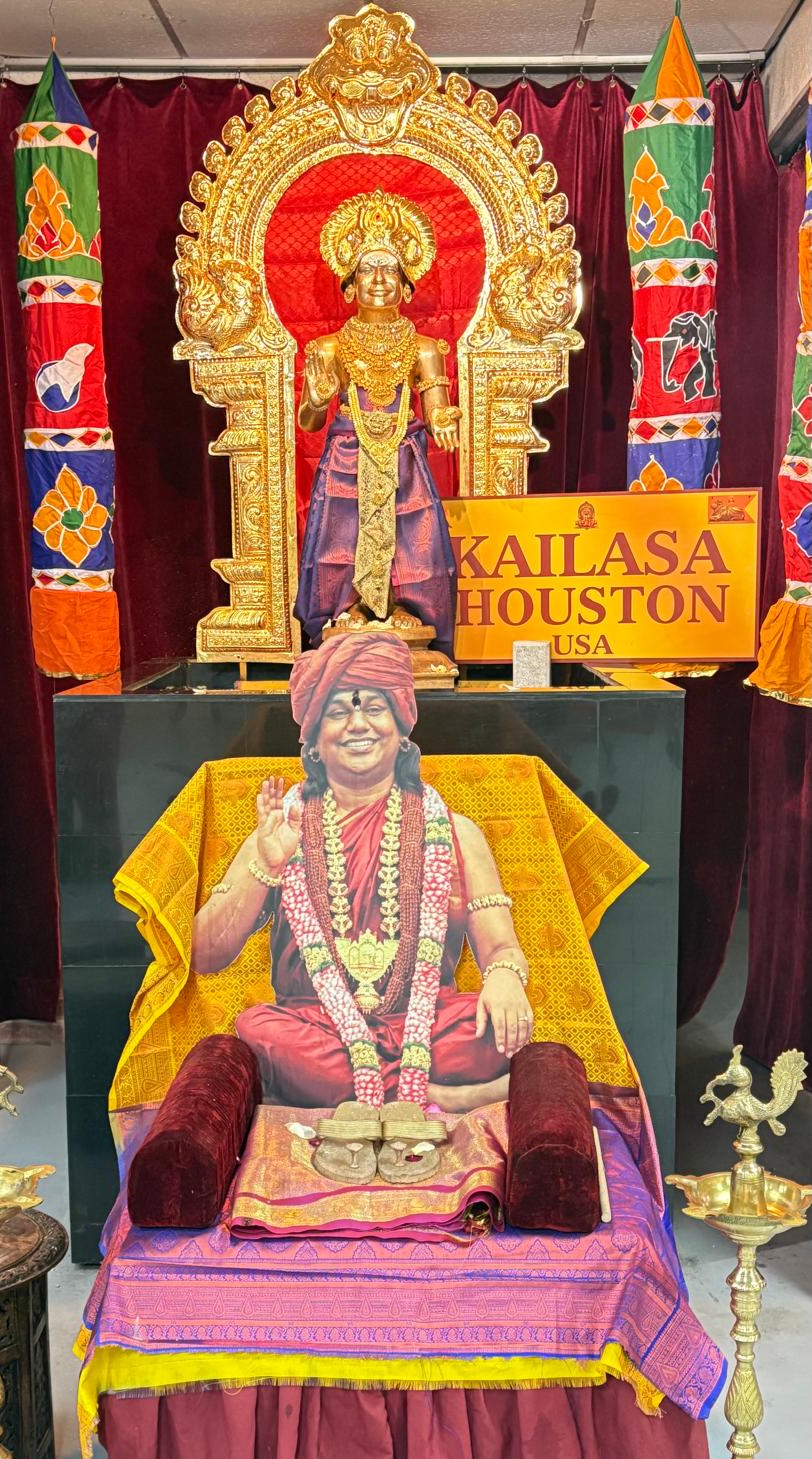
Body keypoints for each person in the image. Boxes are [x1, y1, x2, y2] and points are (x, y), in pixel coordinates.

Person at [192, 632, 533, 1110]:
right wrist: (265, 865)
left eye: (374, 708)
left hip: (425, 1025)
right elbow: (205, 954)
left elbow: (501, 948)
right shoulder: (283, 830)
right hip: (316, 1026)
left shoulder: (456, 833)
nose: (358, 725)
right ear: (314, 738)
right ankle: (441, 1096)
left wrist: (504, 979)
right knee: (261, 1029)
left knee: (492, 1026)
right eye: (338, 712)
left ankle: (360, 1093)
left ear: (401, 725)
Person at [294, 189, 460, 657]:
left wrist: (444, 419)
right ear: (349, 285)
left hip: (403, 453)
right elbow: (309, 422)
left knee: (411, 538)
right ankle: (350, 607)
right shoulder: (328, 348)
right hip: (348, 452)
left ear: (407, 285)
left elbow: (436, 407)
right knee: (342, 535)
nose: (380, 279)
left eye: (390, 269)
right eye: (368, 269)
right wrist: (316, 397)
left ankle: (403, 606)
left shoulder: (424, 348)